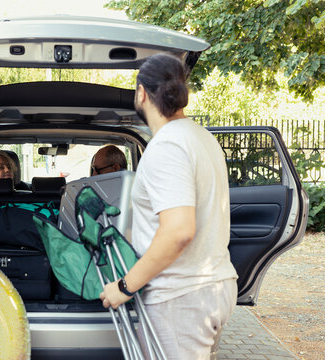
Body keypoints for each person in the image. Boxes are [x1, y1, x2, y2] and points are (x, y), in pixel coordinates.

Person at [99, 54, 238, 359]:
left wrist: (124, 287)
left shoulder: (167, 146)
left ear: (142, 93)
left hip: (180, 296)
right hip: (210, 286)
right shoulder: (202, 137)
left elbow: (178, 231)